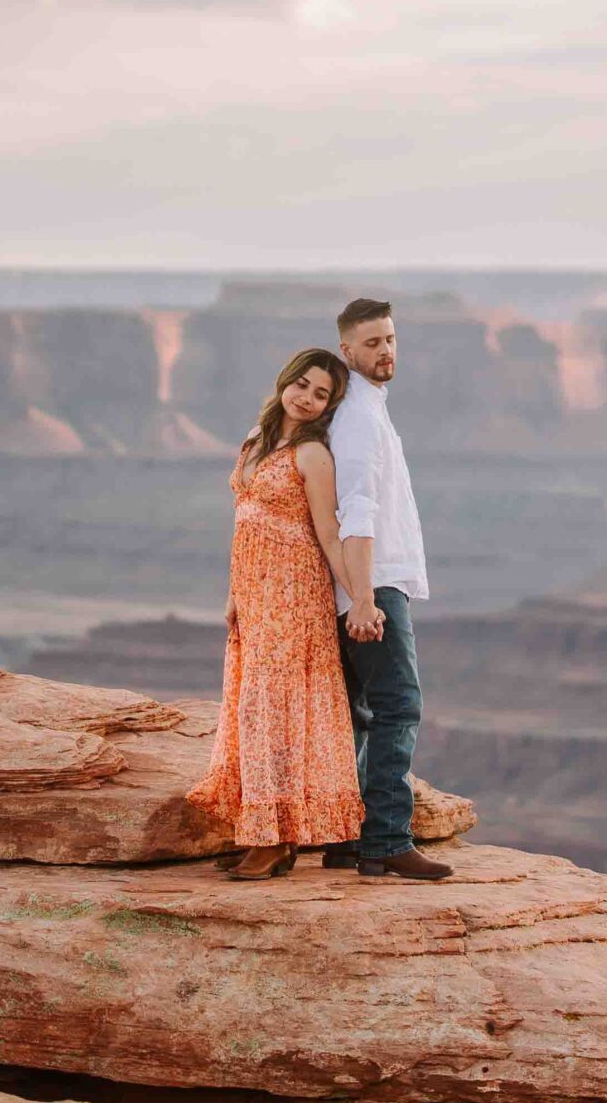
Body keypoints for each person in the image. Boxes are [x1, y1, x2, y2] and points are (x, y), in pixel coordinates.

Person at [189, 347, 365, 880]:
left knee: (278, 709)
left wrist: (359, 597)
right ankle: (264, 833)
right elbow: (244, 519)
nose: (308, 399)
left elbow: (328, 533)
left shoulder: (313, 455)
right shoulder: (256, 438)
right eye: (303, 386)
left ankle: (277, 839)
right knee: (253, 705)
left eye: (322, 395)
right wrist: (234, 593)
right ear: (285, 381)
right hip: (255, 591)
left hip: (295, 593)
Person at [329, 297, 453, 881]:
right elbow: (356, 507)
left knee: (355, 712)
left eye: (391, 340)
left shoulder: (367, 406)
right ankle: (384, 840)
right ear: (347, 350)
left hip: (370, 581)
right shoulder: (356, 415)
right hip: (372, 584)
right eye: (372, 343)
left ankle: (346, 839)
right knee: (398, 705)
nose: (386, 351)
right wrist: (364, 598)